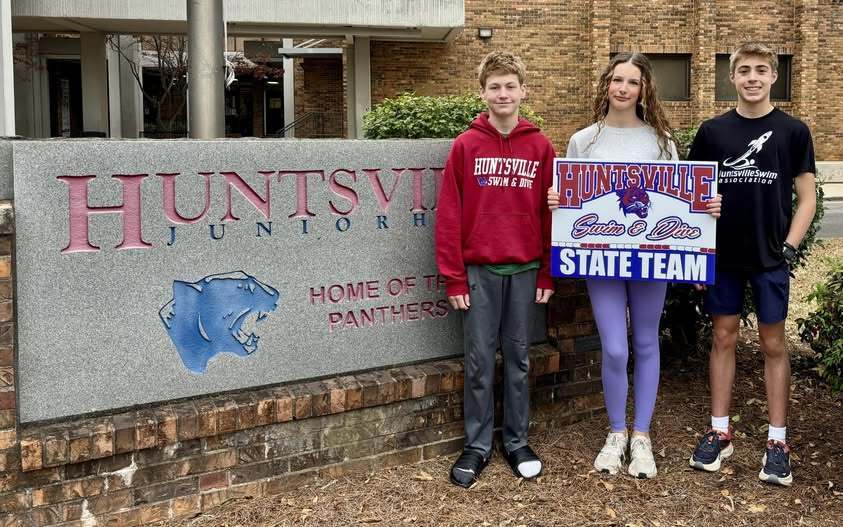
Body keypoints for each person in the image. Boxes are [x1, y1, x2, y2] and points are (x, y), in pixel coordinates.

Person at [547, 53, 721, 479]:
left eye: (633, 82)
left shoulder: (661, 142)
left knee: (645, 342)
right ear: (606, 84)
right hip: (600, 258)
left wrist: (707, 208)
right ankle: (615, 433)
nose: (623, 88)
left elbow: (681, 202)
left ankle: (641, 435)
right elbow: (570, 203)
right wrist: (557, 200)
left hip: (651, 258)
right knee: (614, 346)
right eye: (617, 80)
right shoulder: (582, 141)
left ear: (644, 91)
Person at [687, 42, 816, 487]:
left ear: (774, 76)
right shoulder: (712, 131)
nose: (753, 77)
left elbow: (808, 197)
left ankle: (777, 441)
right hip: (723, 257)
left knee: (773, 345)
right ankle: (719, 431)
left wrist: (791, 246)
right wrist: (702, 221)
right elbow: (692, 193)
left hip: (769, 258)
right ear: (732, 77)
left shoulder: (793, 131)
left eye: (762, 69)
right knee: (723, 337)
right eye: (744, 70)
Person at [435, 51, 556, 488]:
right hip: (479, 273)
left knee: (519, 359)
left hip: (525, 271)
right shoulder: (466, 145)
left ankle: (518, 440)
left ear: (523, 91)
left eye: (510, 86)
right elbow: (450, 214)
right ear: (482, 93)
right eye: (494, 87)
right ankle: (478, 445)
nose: (502, 94)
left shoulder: (540, 146)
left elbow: (549, 216)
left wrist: (547, 273)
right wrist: (453, 275)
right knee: (480, 362)